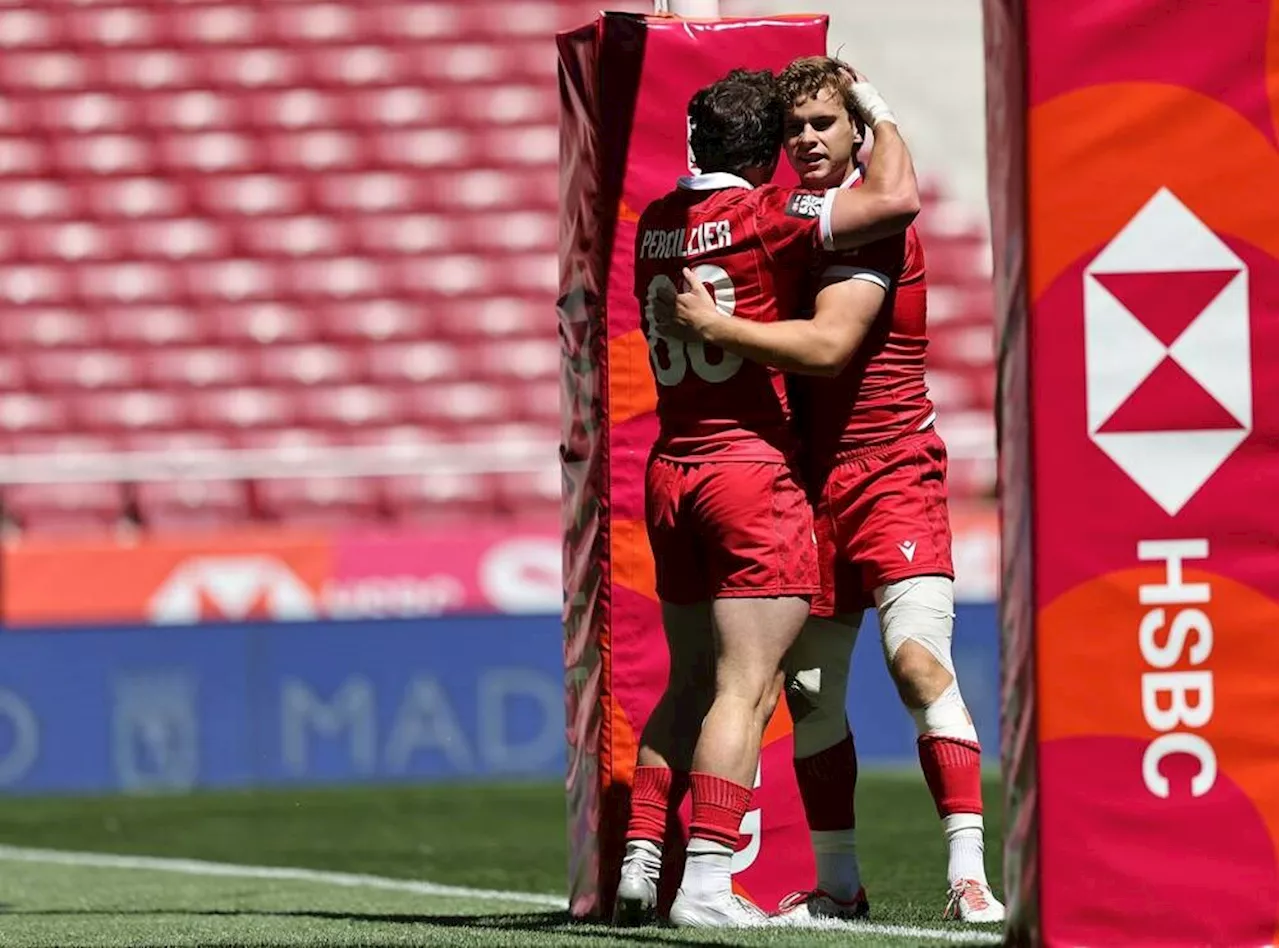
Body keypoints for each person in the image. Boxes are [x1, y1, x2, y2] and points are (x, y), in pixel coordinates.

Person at [654, 56, 1005, 925]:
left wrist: (712, 324)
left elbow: (827, 349)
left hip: (892, 473)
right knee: (808, 692)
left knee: (918, 665)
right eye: (796, 128)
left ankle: (968, 870)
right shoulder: (786, 221)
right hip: (812, 483)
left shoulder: (867, 226)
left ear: (856, 134)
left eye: (825, 124)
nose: (808, 139)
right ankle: (840, 884)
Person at [616, 65, 920, 929]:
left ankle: (643, 857)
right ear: (765, 152)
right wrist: (874, 110)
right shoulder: (763, 215)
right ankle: (707, 884)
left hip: (671, 467)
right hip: (748, 473)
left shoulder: (654, 226)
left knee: (685, 683)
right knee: (744, 688)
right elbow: (893, 203)